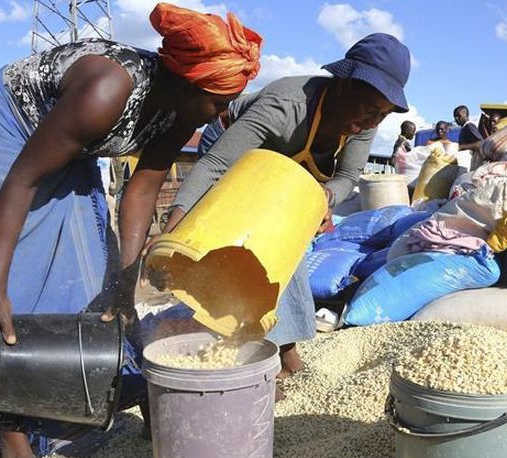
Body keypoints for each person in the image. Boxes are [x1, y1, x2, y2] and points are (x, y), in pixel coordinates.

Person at [0, 4, 262, 458]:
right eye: (218, 102)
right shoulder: (106, 91)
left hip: (71, 141)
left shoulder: (181, 110)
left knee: (93, 272)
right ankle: (13, 446)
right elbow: (22, 181)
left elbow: (142, 190)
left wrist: (125, 283)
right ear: (186, 85)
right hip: (8, 129)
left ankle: (71, 396)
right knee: (2, 288)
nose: (221, 115)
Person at [157, 33, 411, 396]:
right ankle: (257, 351)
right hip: (232, 153)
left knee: (284, 246)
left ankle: (280, 349)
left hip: (287, 176)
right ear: (343, 85)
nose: (373, 121)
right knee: (246, 252)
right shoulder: (287, 105)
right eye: (370, 109)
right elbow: (216, 165)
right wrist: (173, 232)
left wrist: (325, 198)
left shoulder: (362, 123)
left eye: (383, 115)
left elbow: (347, 176)